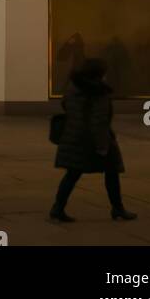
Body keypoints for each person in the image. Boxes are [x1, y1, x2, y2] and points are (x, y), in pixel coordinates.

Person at [50, 57, 136, 223]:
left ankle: (57, 208)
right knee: (112, 171)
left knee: (72, 174)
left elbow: (66, 106)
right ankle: (117, 208)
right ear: (98, 74)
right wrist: (102, 146)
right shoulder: (98, 92)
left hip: (74, 137)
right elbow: (98, 120)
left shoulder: (74, 87)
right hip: (93, 140)